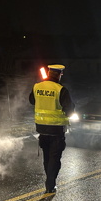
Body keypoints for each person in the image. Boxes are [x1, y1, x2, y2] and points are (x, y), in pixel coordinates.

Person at [29, 64, 75, 193]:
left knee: (47, 157)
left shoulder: (37, 86)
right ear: (59, 74)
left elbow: (32, 101)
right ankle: (50, 184)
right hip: (56, 130)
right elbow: (69, 111)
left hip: (42, 129)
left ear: (49, 73)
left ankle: (49, 182)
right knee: (54, 158)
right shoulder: (61, 89)